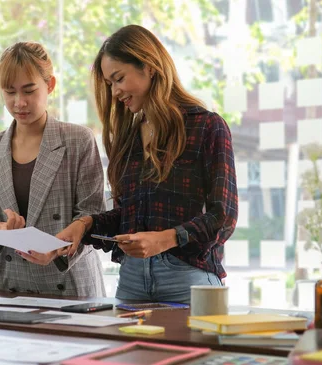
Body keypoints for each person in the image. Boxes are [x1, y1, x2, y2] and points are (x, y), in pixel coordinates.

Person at [57, 25, 238, 304]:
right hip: (131, 282)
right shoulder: (128, 139)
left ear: (149, 66)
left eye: (118, 79)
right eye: (109, 84)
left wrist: (165, 239)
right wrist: (85, 225)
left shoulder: (207, 126)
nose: (115, 92)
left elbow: (223, 217)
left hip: (189, 280)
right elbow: (127, 217)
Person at [0, 42, 106, 297]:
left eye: (29, 90)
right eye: (9, 92)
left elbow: (93, 214)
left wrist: (56, 251)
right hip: (5, 285)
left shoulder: (78, 140)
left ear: (50, 85)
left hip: (68, 283)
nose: (19, 102)